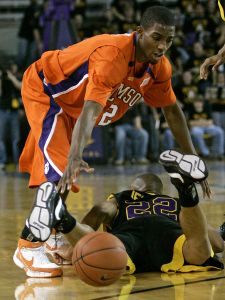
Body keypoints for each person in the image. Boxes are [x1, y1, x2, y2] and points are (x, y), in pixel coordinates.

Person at [15, 5, 210, 277]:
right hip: (49, 92)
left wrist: (193, 157)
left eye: (169, 39)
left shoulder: (158, 67)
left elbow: (172, 110)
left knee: (65, 176)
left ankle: (52, 231)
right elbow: (91, 109)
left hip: (74, 107)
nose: (163, 46)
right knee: (59, 170)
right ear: (140, 32)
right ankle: (27, 246)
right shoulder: (113, 56)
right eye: (157, 37)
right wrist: (74, 155)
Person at [14, 150, 224, 277]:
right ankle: (186, 189)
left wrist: (71, 247)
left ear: (135, 187)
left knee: (101, 254)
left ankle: (63, 217)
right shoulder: (173, 203)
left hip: (128, 236)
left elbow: (100, 211)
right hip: (169, 233)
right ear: (158, 190)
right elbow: (213, 241)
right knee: (199, 251)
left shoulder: (123, 197)